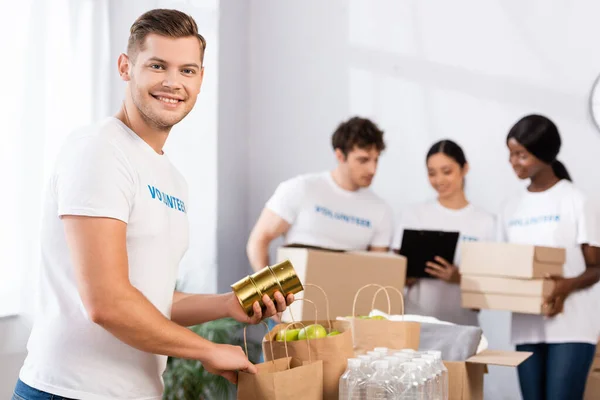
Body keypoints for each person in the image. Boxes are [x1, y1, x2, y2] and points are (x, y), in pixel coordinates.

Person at [13, 9, 292, 400]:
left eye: (188, 71)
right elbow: (108, 303)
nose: (173, 83)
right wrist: (208, 351)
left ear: (200, 79)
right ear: (126, 67)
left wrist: (227, 304)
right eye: (158, 65)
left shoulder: (171, 177)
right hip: (70, 393)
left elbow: (148, 295)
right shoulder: (100, 151)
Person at [499, 114, 600, 400]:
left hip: (571, 328)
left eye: (521, 154)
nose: (513, 162)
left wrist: (563, 287)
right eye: (511, 154)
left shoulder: (577, 201)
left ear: (544, 154)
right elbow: (501, 263)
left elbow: (596, 267)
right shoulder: (510, 207)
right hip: (526, 327)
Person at [247, 116, 394, 272]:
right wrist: (268, 289)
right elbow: (259, 240)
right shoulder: (301, 189)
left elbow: (377, 270)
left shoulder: (380, 209)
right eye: (363, 160)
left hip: (347, 294)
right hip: (296, 294)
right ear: (340, 155)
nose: (372, 169)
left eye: (376, 160)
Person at [392, 139, 495, 326]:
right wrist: (407, 273)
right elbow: (393, 275)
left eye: (446, 172)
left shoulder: (486, 222)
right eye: (432, 173)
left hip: (462, 326)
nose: (439, 180)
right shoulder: (413, 214)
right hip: (415, 322)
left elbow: (491, 288)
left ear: (464, 169)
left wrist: (458, 278)